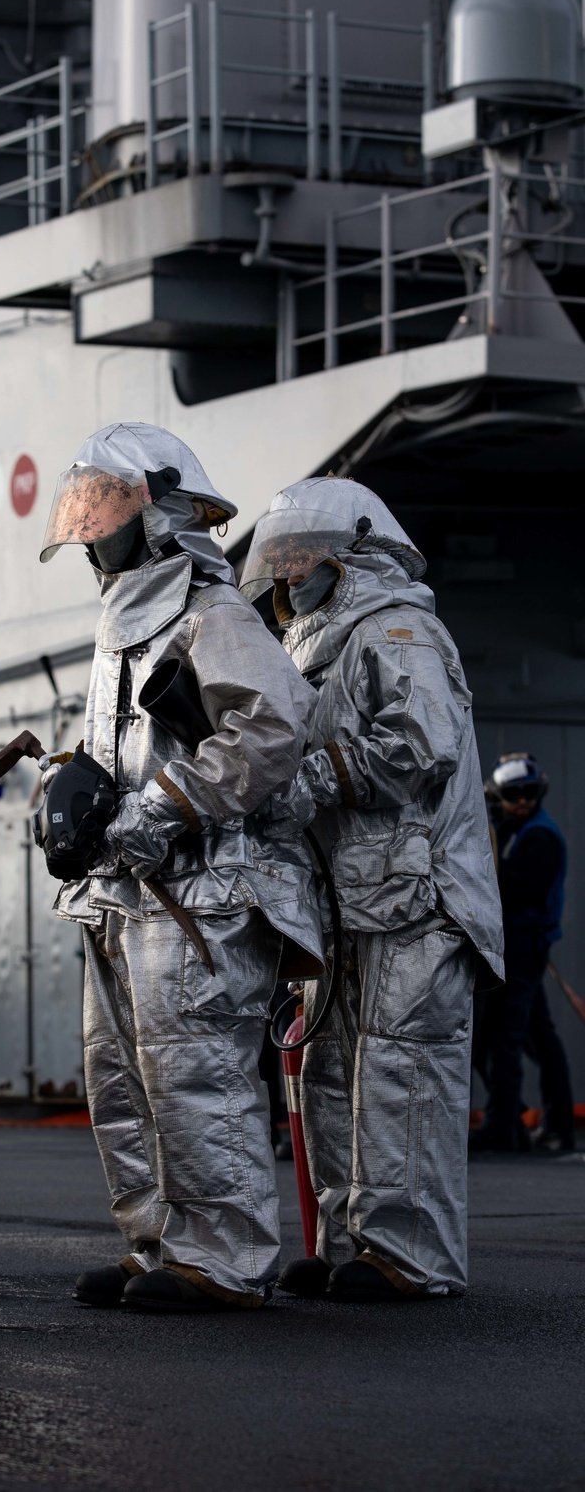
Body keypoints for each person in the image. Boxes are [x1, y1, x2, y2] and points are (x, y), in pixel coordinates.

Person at [42, 423, 324, 1313]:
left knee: (193, 1066)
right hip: (129, 892)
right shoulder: (120, 625)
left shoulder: (213, 611)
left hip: (205, 888)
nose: (90, 527)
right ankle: (158, 1243)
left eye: (105, 506)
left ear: (156, 510)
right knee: (121, 1075)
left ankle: (226, 1256)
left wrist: (163, 809)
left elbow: (272, 729)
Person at [241, 477, 503, 1302]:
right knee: (329, 1070)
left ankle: (410, 1254)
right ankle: (350, 1237)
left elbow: (423, 742)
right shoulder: (312, 648)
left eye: (299, 559)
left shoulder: (400, 629)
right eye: (277, 563)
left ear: (350, 556)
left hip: (416, 898)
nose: (286, 577)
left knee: (402, 1069)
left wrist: (314, 777)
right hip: (351, 898)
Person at [472, 753, 573, 1154]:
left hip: (522, 949)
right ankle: (535, 1120)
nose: (523, 801)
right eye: (514, 795)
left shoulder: (538, 836)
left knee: (505, 1039)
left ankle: (505, 1127)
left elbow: (518, 891)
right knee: (533, 1039)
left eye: (529, 793)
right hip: (515, 947)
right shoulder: (514, 828)